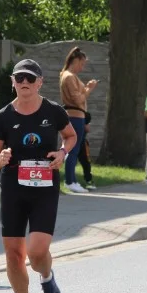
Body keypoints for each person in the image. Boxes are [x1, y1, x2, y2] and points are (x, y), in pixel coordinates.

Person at [0, 59, 77, 293]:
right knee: (13, 253)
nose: (24, 83)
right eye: (19, 78)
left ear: (40, 82)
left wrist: (62, 152)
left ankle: (46, 276)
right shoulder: (3, 116)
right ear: (13, 82)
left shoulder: (54, 111)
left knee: (37, 252)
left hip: (44, 187)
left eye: (30, 78)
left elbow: (70, 136)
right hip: (13, 186)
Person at [59, 47, 97, 193]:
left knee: (74, 149)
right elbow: (77, 99)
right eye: (82, 64)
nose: (83, 67)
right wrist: (89, 89)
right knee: (72, 149)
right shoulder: (69, 76)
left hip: (77, 116)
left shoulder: (68, 76)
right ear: (75, 61)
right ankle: (70, 181)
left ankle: (72, 180)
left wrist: (85, 88)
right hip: (74, 116)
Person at [77, 112, 95, 190]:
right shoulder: (85, 114)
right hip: (81, 142)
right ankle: (88, 181)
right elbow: (87, 129)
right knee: (85, 162)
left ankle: (69, 180)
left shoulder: (65, 110)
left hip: (68, 141)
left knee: (70, 160)